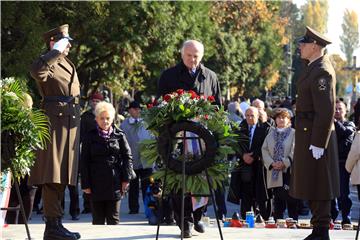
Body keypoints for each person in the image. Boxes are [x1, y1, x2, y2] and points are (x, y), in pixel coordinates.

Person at [157, 39, 221, 238]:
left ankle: (198, 215)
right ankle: (183, 222)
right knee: (180, 181)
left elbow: (218, 107)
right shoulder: (168, 76)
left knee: (202, 178)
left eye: (196, 56)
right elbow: (161, 107)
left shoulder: (210, 76)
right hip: (177, 138)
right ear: (181, 55)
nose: (193, 60)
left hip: (202, 140)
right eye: (189, 55)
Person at [28, 24, 80, 240]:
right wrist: (55, 51)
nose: (68, 46)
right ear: (54, 42)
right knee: (52, 176)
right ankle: (51, 225)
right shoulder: (48, 60)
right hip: (54, 122)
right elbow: (37, 72)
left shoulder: (67, 63)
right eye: (64, 41)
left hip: (69, 124)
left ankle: (56, 223)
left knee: (62, 177)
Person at [289, 26, 340, 240]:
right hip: (307, 131)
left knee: (320, 180)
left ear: (315, 46)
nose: (300, 46)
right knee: (311, 179)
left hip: (316, 134)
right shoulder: (313, 66)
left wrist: (319, 141)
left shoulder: (322, 71)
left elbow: (326, 109)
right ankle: (317, 228)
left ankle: (321, 230)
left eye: (304, 43)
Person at [80, 101, 136, 225]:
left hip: (115, 183)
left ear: (112, 119)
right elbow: (84, 161)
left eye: (108, 118)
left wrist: (126, 179)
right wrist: (85, 184)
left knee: (113, 220)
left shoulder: (119, 135)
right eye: (102, 118)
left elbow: (128, 157)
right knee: (97, 221)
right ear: (96, 119)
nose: (105, 121)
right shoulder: (89, 136)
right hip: (95, 184)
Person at [230, 107, 271, 220]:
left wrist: (253, 156)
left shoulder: (265, 128)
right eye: (247, 115)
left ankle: (264, 218)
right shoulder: (240, 127)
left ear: (258, 116)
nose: (249, 118)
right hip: (244, 166)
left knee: (261, 195)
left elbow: (265, 144)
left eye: (252, 115)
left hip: (259, 165)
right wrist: (243, 155)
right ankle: (245, 218)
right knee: (245, 194)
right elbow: (234, 144)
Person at [261, 108, 298, 221]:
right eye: (279, 117)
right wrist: (272, 163)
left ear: (288, 120)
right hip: (274, 171)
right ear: (275, 120)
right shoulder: (270, 134)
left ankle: (293, 221)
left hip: (289, 171)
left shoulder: (293, 133)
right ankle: (278, 222)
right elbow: (264, 150)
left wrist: (284, 162)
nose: (281, 119)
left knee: (291, 199)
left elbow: (295, 149)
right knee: (278, 200)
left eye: (284, 117)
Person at [120, 101, 154, 215]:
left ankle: (149, 208)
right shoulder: (124, 124)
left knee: (147, 186)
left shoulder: (146, 123)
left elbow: (152, 138)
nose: (137, 111)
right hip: (132, 160)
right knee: (133, 186)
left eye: (139, 109)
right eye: (135, 109)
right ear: (130, 110)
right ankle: (133, 208)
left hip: (146, 161)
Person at [331, 100, 356, 225]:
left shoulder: (349, 124)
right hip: (330, 163)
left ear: (346, 111)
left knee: (343, 193)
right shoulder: (328, 125)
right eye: (335, 109)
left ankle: (346, 218)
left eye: (340, 108)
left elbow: (345, 132)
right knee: (330, 193)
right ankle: (332, 217)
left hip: (342, 163)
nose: (337, 111)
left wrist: (334, 122)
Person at [80, 91, 104, 214]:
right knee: (87, 177)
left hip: (101, 150)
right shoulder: (85, 116)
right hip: (87, 150)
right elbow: (80, 134)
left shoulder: (105, 115)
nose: (95, 103)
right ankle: (87, 205)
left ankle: (99, 205)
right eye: (93, 101)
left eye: (97, 101)